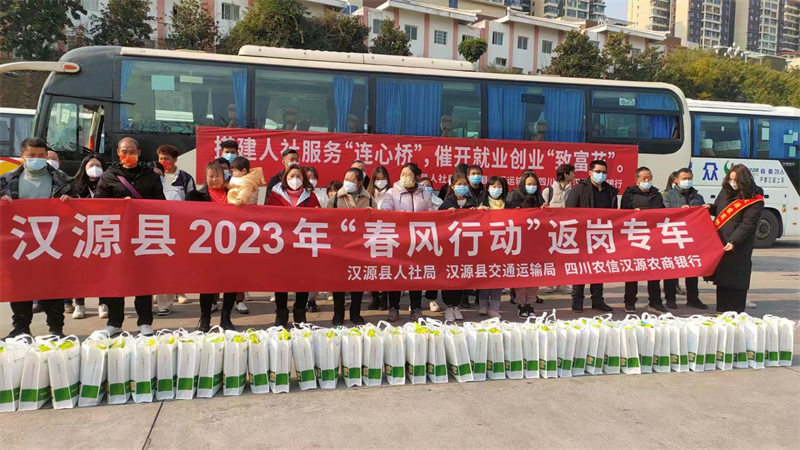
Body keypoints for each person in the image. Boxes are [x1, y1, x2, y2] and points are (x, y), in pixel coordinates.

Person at [1, 138, 77, 339]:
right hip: (18, 241)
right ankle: (21, 328)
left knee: (53, 287)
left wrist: (71, 202)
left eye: (41, 155)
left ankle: (56, 329)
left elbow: (79, 209)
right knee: (20, 287)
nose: (37, 159)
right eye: (32, 155)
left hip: (52, 241)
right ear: (22, 155)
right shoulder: (6, 180)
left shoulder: (63, 181)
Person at [95, 137, 165, 337]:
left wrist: (139, 205)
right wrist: (119, 205)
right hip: (116, 235)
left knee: (143, 279)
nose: (128, 155)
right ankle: (114, 322)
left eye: (132, 152)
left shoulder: (150, 176)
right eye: (124, 152)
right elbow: (98, 205)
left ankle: (145, 322)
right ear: (118, 153)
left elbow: (161, 204)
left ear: (139, 153)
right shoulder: (108, 176)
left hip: (143, 235)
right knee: (116, 279)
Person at [381, 162, 437, 322]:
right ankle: (393, 308)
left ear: (417, 177)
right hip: (397, 240)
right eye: (402, 174)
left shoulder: (425, 194)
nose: (405, 177)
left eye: (408, 175)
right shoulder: (392, 192)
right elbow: (385, 211)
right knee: (396, 275)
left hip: (418, 240)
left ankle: (416, 308)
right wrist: (402, 217)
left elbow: (432, 214)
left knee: (415, 274)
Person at [185, 163, 237, 332]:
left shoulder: (234, 194)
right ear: (205, 178)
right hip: (206, 247)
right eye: (211, 176)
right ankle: (205, 319)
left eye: (218, 176)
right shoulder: (196, 196)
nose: (214, 179)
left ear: (224, 177)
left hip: (231, 245)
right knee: (207, 285)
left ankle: (226, 318)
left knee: (231, 283)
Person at [267, 164, 321, 326]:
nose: (295, 179)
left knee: (302, 280)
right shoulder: (275, 196)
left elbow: (320, 218)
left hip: (303, 246)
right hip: (281, 246)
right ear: (285, 178)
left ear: (304, 179)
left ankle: (300, 313)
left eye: (298, 176)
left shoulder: (311, 196)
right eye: (291, 176)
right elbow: (267, 217)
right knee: (281, 281)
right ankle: (281, 314)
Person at [707, 164, 764, 313]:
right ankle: (721, 312)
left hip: (739, 246)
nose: (732, 183)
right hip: (721, 241)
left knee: (737, 279)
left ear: (744, 180)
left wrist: (733, 241)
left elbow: (748, 224)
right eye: (730, 180)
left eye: (736, 180)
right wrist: (709, 208)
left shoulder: (755, 198)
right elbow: (720, 211)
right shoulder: (725, 191)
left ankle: (736, 313)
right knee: (722, 279)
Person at [566, 160, 617, 313]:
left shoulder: (610, 191)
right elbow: (569, 211)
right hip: (582, 235)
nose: (601, 174)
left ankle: (597, 300)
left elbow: (615, 213)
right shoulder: (579, 188)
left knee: (599, 268)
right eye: (598, 171)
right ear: (590, 172)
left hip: (601, 235)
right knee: (581, 268)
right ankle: (577, 301)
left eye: (604, 172)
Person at [327, 168, 374, 325]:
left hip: (360, 248)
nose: (347, 182)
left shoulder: (369, 199)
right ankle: (338, 313)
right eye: (345, 178)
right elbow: (326, 218)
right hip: (339, 247)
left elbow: (377, 221)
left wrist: (371, 214)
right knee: (338, 281)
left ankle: (355, 313)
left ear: (359, 183)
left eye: (351, 180)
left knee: (357, 280)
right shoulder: (335, 198)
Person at [620, 167, 668, 314]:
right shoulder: (629, 194)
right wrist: (632, 213)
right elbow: (622, 214)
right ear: (637, 180)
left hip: (653, 237)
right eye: (644, 178)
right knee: (633, 271)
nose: (647, 180)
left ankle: (655, 302)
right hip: (635, 237)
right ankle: (629, 302)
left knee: (654, 271)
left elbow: (664, 213)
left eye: (649, 177)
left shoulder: (656, 194)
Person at [662, 167, 710, 310]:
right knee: (671, 269)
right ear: (677, 180)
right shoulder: (668, 196)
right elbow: (663, 214)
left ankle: (693, 299)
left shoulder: (698, 197)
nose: (687, 181)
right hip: (673, 237)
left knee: (692, 270)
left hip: (692, 238)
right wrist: (679, 212)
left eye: (689, 178)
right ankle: (670, 298)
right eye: (684, 179)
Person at [506, 172, 546, 317]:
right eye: (528, 184)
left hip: (536, 242)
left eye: (534, 184)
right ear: (523, 184)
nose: (531, 187)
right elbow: (505, 217)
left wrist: (546, 210)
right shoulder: (513, 196)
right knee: (522, 273)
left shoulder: (539, 197)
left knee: (535, 273)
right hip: (519, 241)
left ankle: (531, 303)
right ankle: (521, 304)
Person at [438, 173, 477, 321]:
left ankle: (456, 305)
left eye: (465, 184)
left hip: (465, 246)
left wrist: (477, 212)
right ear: (452, 186)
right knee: (449, 275)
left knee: (460, 276)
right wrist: (446, 214)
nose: (462, 187)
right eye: (459, 184)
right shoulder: (446, 204)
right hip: (449, 247)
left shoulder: (471, 203)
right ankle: (448, 306)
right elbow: (437, 222)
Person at [541, 163, 575, 294]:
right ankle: (550, 283)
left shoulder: (573, 191)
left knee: (564, 257)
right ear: (566, 175)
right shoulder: (549, 190)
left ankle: (562, 283)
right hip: (551, 230)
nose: (574, 175)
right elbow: (540, 208)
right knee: (550, 257)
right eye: (572, 173)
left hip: (566, 229)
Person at [366, 166, 391, 311]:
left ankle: (384, 298)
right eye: (377, 179)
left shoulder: (392, 193)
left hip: (388, 234)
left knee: (386, 267)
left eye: (383, 178)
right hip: (372, 234)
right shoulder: (368, 195)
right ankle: (375, 297)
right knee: (372, 267)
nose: (380, 182)